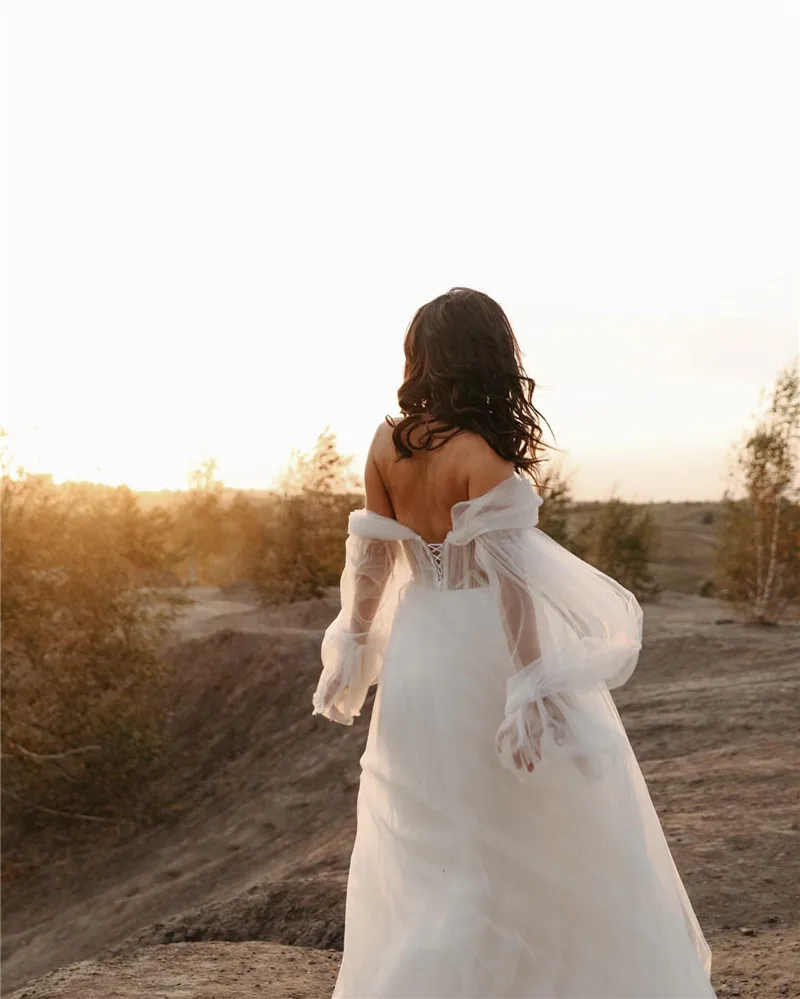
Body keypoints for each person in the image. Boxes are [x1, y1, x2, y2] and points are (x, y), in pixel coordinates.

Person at [311, 287, 716, 998]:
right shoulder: (483, 456)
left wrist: (352, 637)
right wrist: (532, 687)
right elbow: (513, 590)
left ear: (423, 358)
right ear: (491, 359)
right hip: (481, 657)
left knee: (437, 837)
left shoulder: (385, 444)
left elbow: (371, 559)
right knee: (526, 833)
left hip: (416, 658)